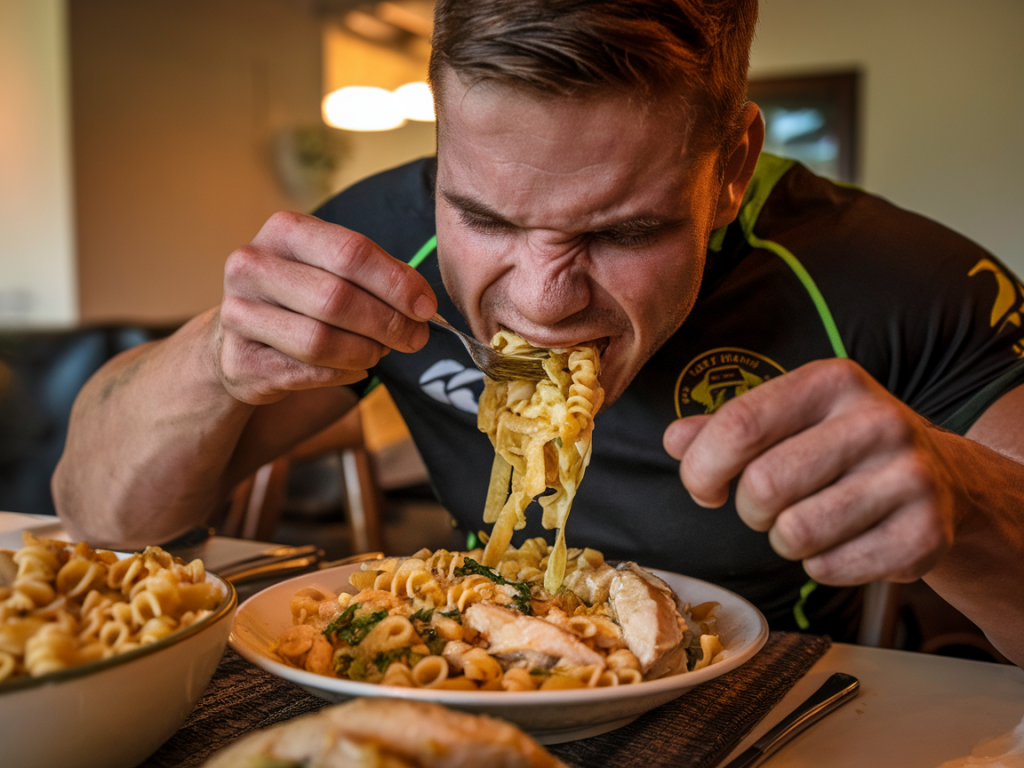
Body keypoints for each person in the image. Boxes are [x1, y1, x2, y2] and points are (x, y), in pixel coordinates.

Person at [54, 0, 1024, 664]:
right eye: (486, 218)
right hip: (471, 674)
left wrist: (969, 501)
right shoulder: (379, 243)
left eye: (622, 230)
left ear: (730, 167)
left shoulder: (905, 283)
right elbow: (102, 516)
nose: (545, 298)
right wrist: (215, 360)